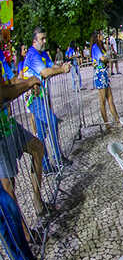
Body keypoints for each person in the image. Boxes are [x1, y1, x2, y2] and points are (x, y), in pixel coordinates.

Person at [0, 64, 47, 219]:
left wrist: (30, 82)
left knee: (37, 148)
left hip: (7, 122)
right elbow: (3, 93)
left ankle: (37, 200)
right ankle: (24, 234)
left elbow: (12, 81)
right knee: (8, 184)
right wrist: (29, 83)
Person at [22, 27, 72, 173]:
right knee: (52, 121)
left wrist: (62, 66)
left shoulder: (43, 53)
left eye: (45, 38)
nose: (45, 41)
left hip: (41, 96)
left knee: (42, 132)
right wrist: (62, 70)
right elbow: (45, 72)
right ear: (34, 41)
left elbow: (51, 67)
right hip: (34, 98)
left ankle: (45, 165)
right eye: (41, 39)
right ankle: (58, 158)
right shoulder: (32, 54)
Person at [91, 32, 120, 126]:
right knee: (103, 100)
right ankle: (106, 123)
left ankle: (117, 120)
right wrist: (108, 58)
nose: (103, 36)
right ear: (97, 37)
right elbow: (103, 59)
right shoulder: (95, 47)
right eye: (101, 35)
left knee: (110, 98)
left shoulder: (100, 46)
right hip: (100, 75)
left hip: (104, 74)